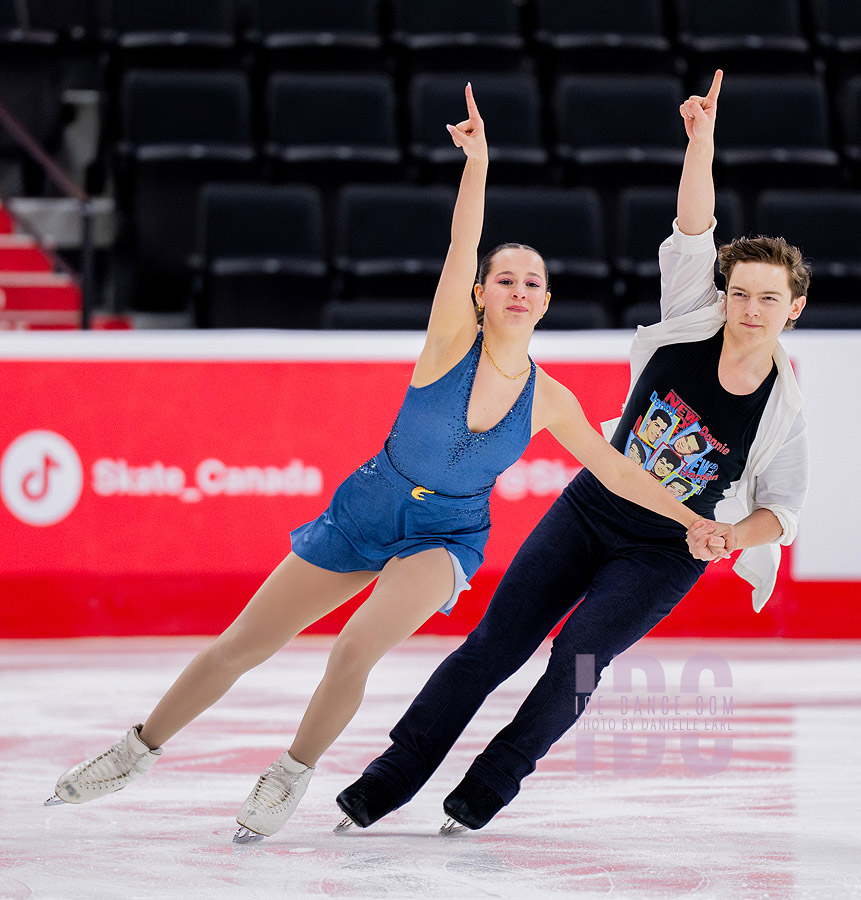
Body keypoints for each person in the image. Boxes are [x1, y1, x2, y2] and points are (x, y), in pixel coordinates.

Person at [46, 85, 729, 843]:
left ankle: (290, 773)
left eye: (531, 282)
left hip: (445, 533)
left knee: (355, 645)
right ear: (479, 295)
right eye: (504, 278)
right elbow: (459, 245)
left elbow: (618, 470)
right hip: (364, 511)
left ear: (543, 304)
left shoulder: (550, 399)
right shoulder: (447, 345)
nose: (517, 288)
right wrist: (477, 165)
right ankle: (137, 748)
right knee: (244, 643)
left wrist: (689, 519)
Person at [335, 69, 810, 833]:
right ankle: (388, 778)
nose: (749, 309)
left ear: (794, 307)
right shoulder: (691, 318)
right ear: (723, 294)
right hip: (590, 510)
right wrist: (701, 143)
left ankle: (486, 789)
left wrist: (726, 534)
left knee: (578, 662)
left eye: (767, 299)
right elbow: (696, 228)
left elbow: (780, 511)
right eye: (740, 293)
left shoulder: (784, 407)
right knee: (494, 645)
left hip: (665, 550)